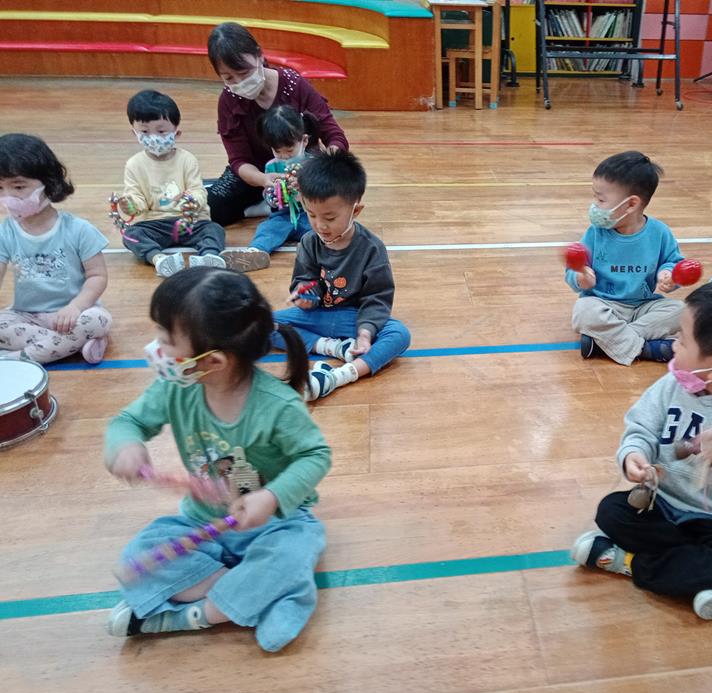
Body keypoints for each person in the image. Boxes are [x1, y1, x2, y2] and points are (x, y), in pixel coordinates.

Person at [105, 268, 332, 652]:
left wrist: (271, 497)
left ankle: (193, 615)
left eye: (166, 339)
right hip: (201, 520)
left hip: (277, 523)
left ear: (213, 361)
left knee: (293, 551)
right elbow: (128, 422)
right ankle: (250, 597)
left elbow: (316, 456)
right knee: (140, 554)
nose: (156, 348)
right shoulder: (174, 389)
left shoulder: (277, 406)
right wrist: (125, 446)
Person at [571, 278, 712, 620]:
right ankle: (695, 575)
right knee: (611, 511)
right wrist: (634, 455)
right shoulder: (672, 384)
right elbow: (641, 428)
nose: (673, 345)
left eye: (682, 340)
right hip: (663, 506)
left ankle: (630, 563)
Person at [271, 150, 411, 400]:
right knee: (262, 324)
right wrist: (305, 296)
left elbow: (377, 298)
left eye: (330, 217)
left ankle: (340, 376)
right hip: (318, 316)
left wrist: (365, 333)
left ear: (355, 211)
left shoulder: (371, 248)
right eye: (311, 215)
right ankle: (333, 348)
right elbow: (305, 281)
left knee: (399, 334)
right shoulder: (309, 242)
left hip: (354, 319)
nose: (319, 225)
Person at [206, 22, 349, 226]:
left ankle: (278, 204)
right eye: (229, 78)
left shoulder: (294, 84)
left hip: (305, 166)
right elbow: (238, 160)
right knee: (214, 208)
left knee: (338, 195)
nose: (239, 82)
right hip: (260, 173)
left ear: (259, 55)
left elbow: (334, 135)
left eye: (244, 73)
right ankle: (269, 206)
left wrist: (321, 168)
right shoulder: (228, 101)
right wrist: (264, 179)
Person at [119, 90, 262, 275]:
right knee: (131, 235)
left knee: (214, 229)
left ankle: (208, 256)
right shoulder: (134, 164)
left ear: (176, 133)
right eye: (145, 132)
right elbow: (136, 197)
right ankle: (158, 259)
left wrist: (191, 200)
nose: (153, 137)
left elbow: (198, 191)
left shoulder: (187, 160)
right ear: (134, 133)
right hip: (155, 224)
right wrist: (130, 205)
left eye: (161, 131)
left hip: (190, 221)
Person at [564, 151, 685, 365]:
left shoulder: (659, 232)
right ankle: (644, 349)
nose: (595, 205)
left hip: (643, 306)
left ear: (631, 205)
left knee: (683, 312)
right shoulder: (595, 233)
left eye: (601, 199)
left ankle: (605, 342)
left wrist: (669, 275)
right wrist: (581, 278)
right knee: (584, 312)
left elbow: (672, 263)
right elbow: (575, 270)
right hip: (603, 304)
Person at [0, 133, 111, 363]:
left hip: (75, 313)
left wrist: (75, 307)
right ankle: (72, 344)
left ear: (48, 183)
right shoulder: (6, 231)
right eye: (0, 188)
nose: (8, 197)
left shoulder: (79, 229)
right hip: (26, 315)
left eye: (18, 186)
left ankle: (17, 359)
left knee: (98, 321)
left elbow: (97, 276)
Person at [227, 105, 317, 267]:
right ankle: (255, 253)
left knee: (321, 231)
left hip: (310, 215)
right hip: (282, 216)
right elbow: (269, 196)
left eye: (289, 150)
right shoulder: (271, 166)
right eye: (278, 151)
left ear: (304, 141)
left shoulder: (313, 163)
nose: (284, 156)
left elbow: (323, 194)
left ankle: (315, 252)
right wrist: (272, 196)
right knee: (267, 229)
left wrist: (303, 191)